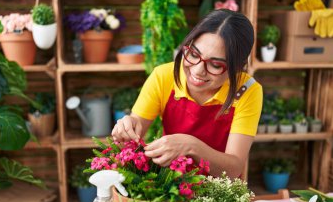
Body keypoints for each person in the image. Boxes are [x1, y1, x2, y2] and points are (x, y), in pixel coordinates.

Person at [111, 9, 263, 178]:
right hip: (170, 184)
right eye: (193, 54)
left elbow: (234, 169)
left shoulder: (248, 91)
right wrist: (127, 127)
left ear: (238, 67)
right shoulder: (163, 76)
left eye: (215, 65)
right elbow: (135, 131)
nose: (198, 70)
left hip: (220, 189)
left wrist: (192, 146)